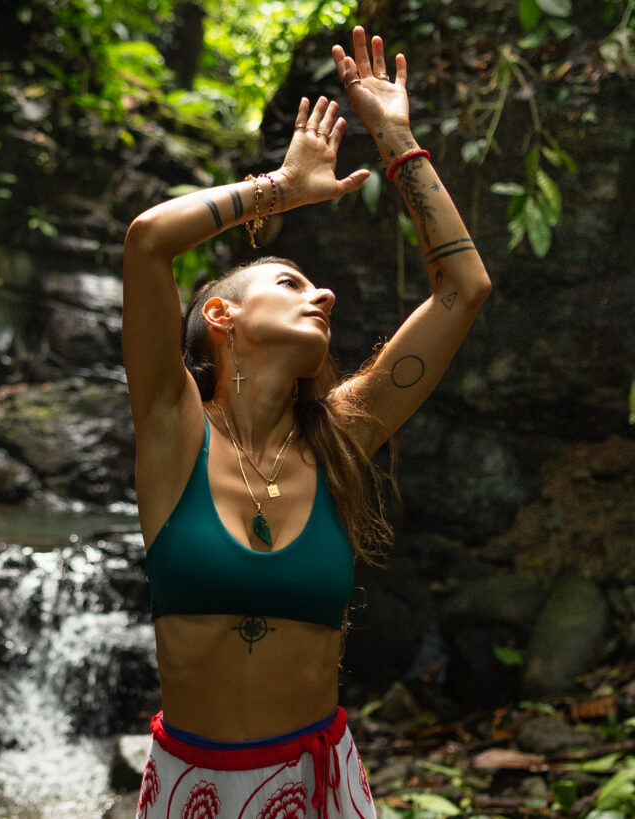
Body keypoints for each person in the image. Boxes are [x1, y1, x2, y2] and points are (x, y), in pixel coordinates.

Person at [121, 26, 491, 819]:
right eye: (291, 281)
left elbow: (463, 287)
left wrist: (395, 134)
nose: (321, 294)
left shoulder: (341, 434)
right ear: (218, 315)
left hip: (323, 792)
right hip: (195, 793)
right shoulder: (171, 428)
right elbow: (149, 242)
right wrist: (281, 189)